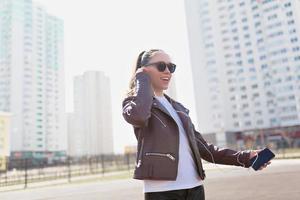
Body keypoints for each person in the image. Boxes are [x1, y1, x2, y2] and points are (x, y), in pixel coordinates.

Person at [122, 49, 270, 200]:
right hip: (162, 192)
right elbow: (139, 116)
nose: (168, 71)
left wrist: (245, 157)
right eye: (161, 66)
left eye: (171, 67)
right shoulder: (134, 104)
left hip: (195, 189)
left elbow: (204, 148)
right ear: (144, 70)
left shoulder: (178, 109)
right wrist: (141, 78)